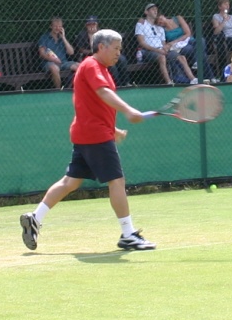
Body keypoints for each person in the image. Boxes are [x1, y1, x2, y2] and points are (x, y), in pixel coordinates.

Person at [18, 28, 156, 253]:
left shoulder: (101, 69)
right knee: (117, 181)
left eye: (121, 49)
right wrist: (129, 111)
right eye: (116, 48)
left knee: (70, 182)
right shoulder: (92, 66)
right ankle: (128, 234)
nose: (119, 53)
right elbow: (103, 94)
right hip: (93, 135)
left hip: (88, 133)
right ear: (101, 47)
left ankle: (35, 218)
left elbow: (93, 106)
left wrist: (112, 129)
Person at [135, 3, 193, 85]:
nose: (155, 10)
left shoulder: (159, 27)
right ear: (146, 12)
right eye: (152, 9)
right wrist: (157, 50)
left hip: (160, 50)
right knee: (162, 57)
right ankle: (169, 82)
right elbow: (142, 43)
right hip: (148, 51)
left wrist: (165, 48)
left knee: (181, 57)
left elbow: (163, 43)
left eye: (156, 9)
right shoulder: (141, 24)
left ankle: (192, 79)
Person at [37, 17, 79, 89]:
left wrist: (63, 37)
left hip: (63, 62)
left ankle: (76, 88)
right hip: (49, 63)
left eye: (60, 26)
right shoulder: (44, 37)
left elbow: (71, 52)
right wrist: (54, 60)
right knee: (54, 68)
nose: (57, 28)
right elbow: (42, 53)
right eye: (55, 26)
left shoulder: (62, 38)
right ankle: (58, 89)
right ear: (51, 26)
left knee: (79, 66)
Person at [205, 0, 232, 76]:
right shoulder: (216, 16)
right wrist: (224, 20)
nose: (227, 6)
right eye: (225, 4)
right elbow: (216, 32)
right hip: (226, 39)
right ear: (220, 7)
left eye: (228, 4)